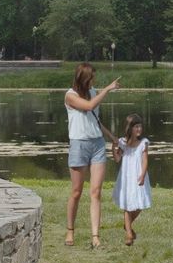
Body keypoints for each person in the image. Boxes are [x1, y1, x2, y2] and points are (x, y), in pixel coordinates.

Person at [64, 63, 119, 247]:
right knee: (76, 192)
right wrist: (108, 89)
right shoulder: (70, 95)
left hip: (97, 145)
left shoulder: (93, 92)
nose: (93, 81)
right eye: (91, 78)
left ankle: (95, 236)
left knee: (96, 192)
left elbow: (96, 121)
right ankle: (70, 231)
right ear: (83, 79)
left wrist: (111, 137)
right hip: (79, 145)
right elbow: (88, 106)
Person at [111, 112, 153, 246]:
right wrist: (114, 146)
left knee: (140, 204)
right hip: (127, 177)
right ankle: (129, 234)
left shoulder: (143, 143)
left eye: (140, 126)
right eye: (136, 127)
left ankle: (127, 224)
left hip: (139, 175)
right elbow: (117, 159)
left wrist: (143, 174)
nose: (139, 129)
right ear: (130, 128)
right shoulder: (123, 143)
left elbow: (145, 160)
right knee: (127, 204)